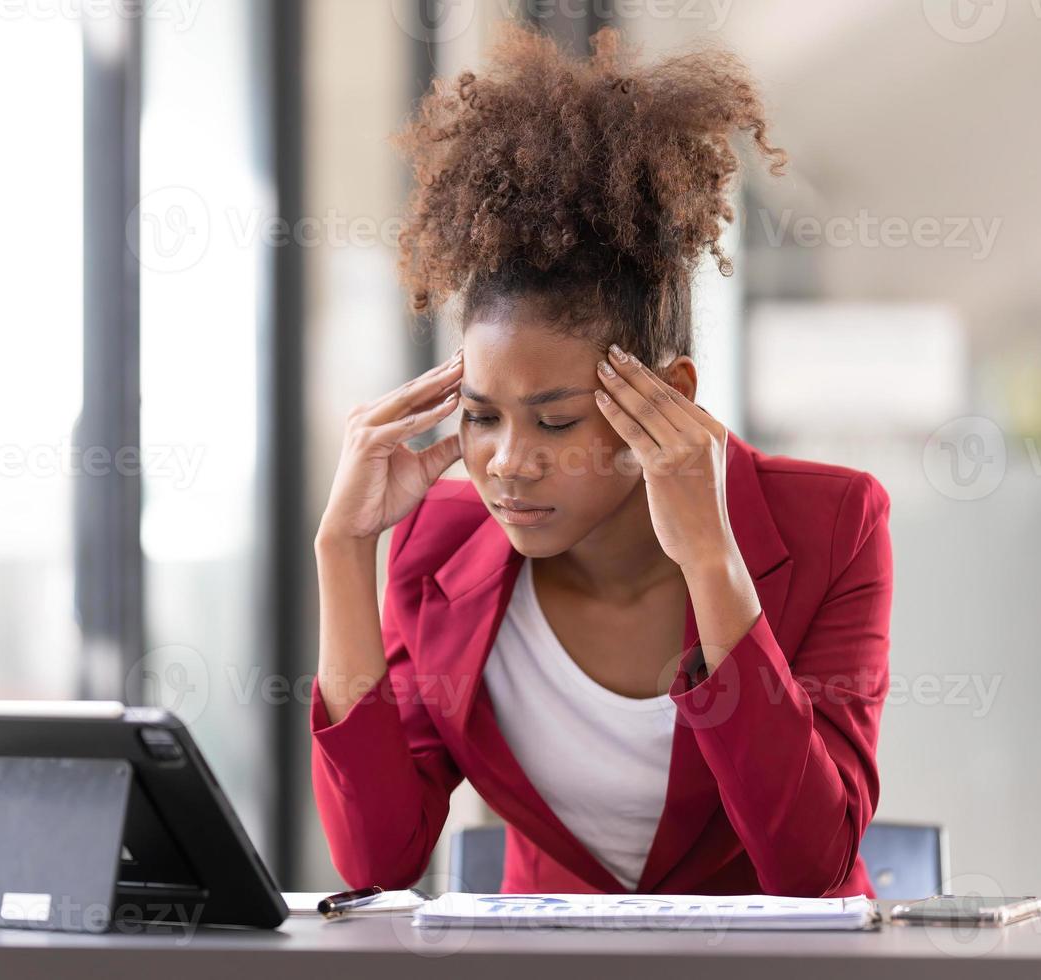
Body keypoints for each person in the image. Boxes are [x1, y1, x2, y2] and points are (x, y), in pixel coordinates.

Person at [308, 23, 893, 899]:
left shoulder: (833, 524)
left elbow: (809, 865)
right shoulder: (438, 545)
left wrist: (710, 559)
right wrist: (343, 552)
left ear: (671, 394)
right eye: (480, 417)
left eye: (554, 421)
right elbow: (377, 860)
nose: (507, 463)